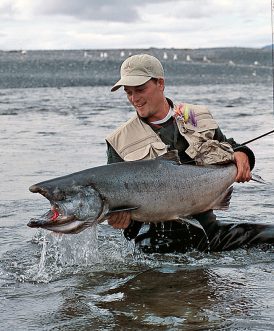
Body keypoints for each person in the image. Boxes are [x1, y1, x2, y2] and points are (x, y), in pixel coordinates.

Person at [105, 53, 274, 254]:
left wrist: (243, 155)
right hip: (155, 245)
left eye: (140, 90)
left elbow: (228, 147)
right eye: (128, 92)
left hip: (209, 232)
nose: (134, 99)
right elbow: (121, 213)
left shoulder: (196, 116)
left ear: (160, 83)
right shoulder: (119, 141)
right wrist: (123, 222)